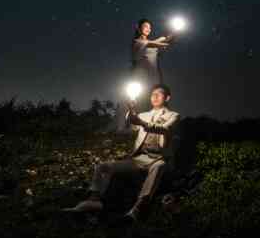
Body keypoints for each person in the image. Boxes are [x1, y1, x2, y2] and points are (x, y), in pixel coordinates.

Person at [65, 83, 181, 224]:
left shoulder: (173, 115)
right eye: (152, 94)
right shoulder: (144, 115)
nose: (154, 96)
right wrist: (131, 111)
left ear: (167, 98)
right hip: (139, 159)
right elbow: (131, 127)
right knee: (103, 167)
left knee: (159, 167)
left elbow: (165, 129)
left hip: (158, 158)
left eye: (159, 94)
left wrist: (141, 123)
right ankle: (94, 200)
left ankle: (138, 208)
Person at [113, 18, 171, 132]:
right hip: (140, 76)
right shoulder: (138, 42)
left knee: (152, 101)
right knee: (133, 100)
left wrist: (173, 34)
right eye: (145, 26)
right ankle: (124, 128)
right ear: (138, 28)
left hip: (153, 76)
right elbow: (156, 43)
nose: (148, 29)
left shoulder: (150, 43)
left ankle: (146, 128)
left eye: (150, 27)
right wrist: (165, 41)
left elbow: (161, 41)